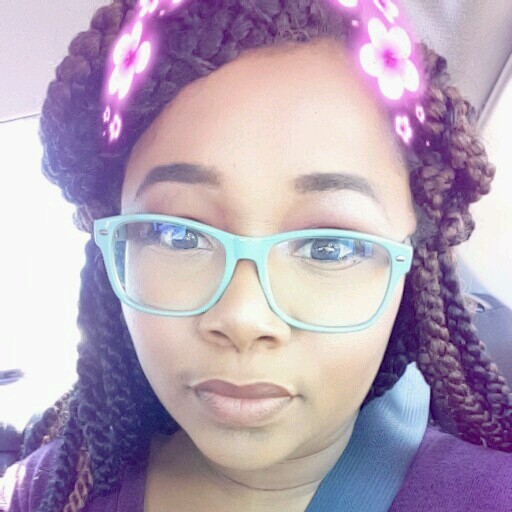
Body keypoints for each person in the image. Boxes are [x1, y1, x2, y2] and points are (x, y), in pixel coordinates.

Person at [1, 0, 511, 510]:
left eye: (328, 247)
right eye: (176, 235)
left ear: (412, 265)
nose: (244, 318)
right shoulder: (46, 493)